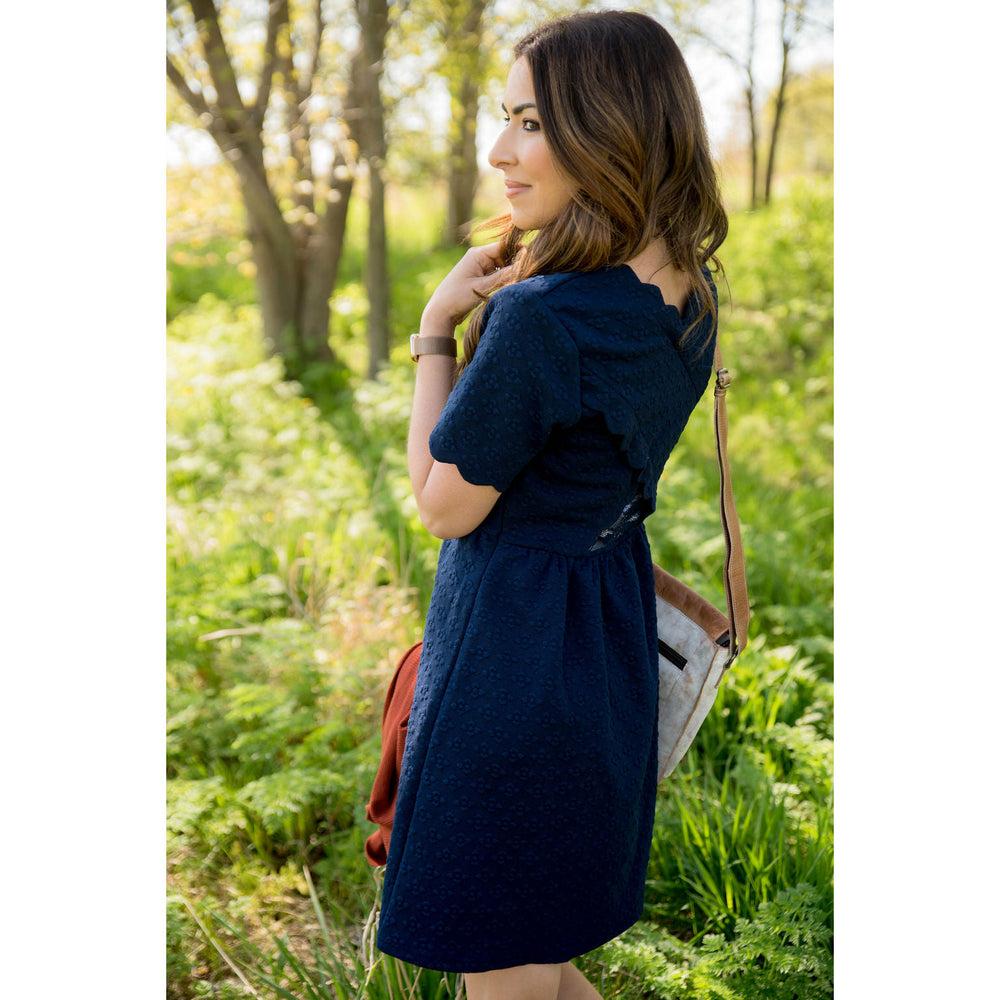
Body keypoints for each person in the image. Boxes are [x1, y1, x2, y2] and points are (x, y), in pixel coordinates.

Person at [376, 10, 728, 999]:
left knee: (504, 961)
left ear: (610, 128)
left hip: (513, 661)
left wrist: (435, 331)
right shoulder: (691, 290)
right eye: (505, 118)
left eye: (530, 123)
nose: (499, 151)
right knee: (539, 956)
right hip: (603, 639)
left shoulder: (543, 319)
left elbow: (443, 506)